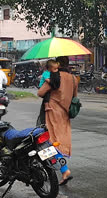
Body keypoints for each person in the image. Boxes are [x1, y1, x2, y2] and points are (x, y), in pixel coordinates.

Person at [38, 56, 78, 185]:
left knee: (46, 142)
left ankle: (62, 170)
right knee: (58, 142)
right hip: (65, 114)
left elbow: (40, 92)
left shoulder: (54, 76)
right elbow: (74, 97)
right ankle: (60, 170)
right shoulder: (73, 79)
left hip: (51, 113)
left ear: (58, 64)